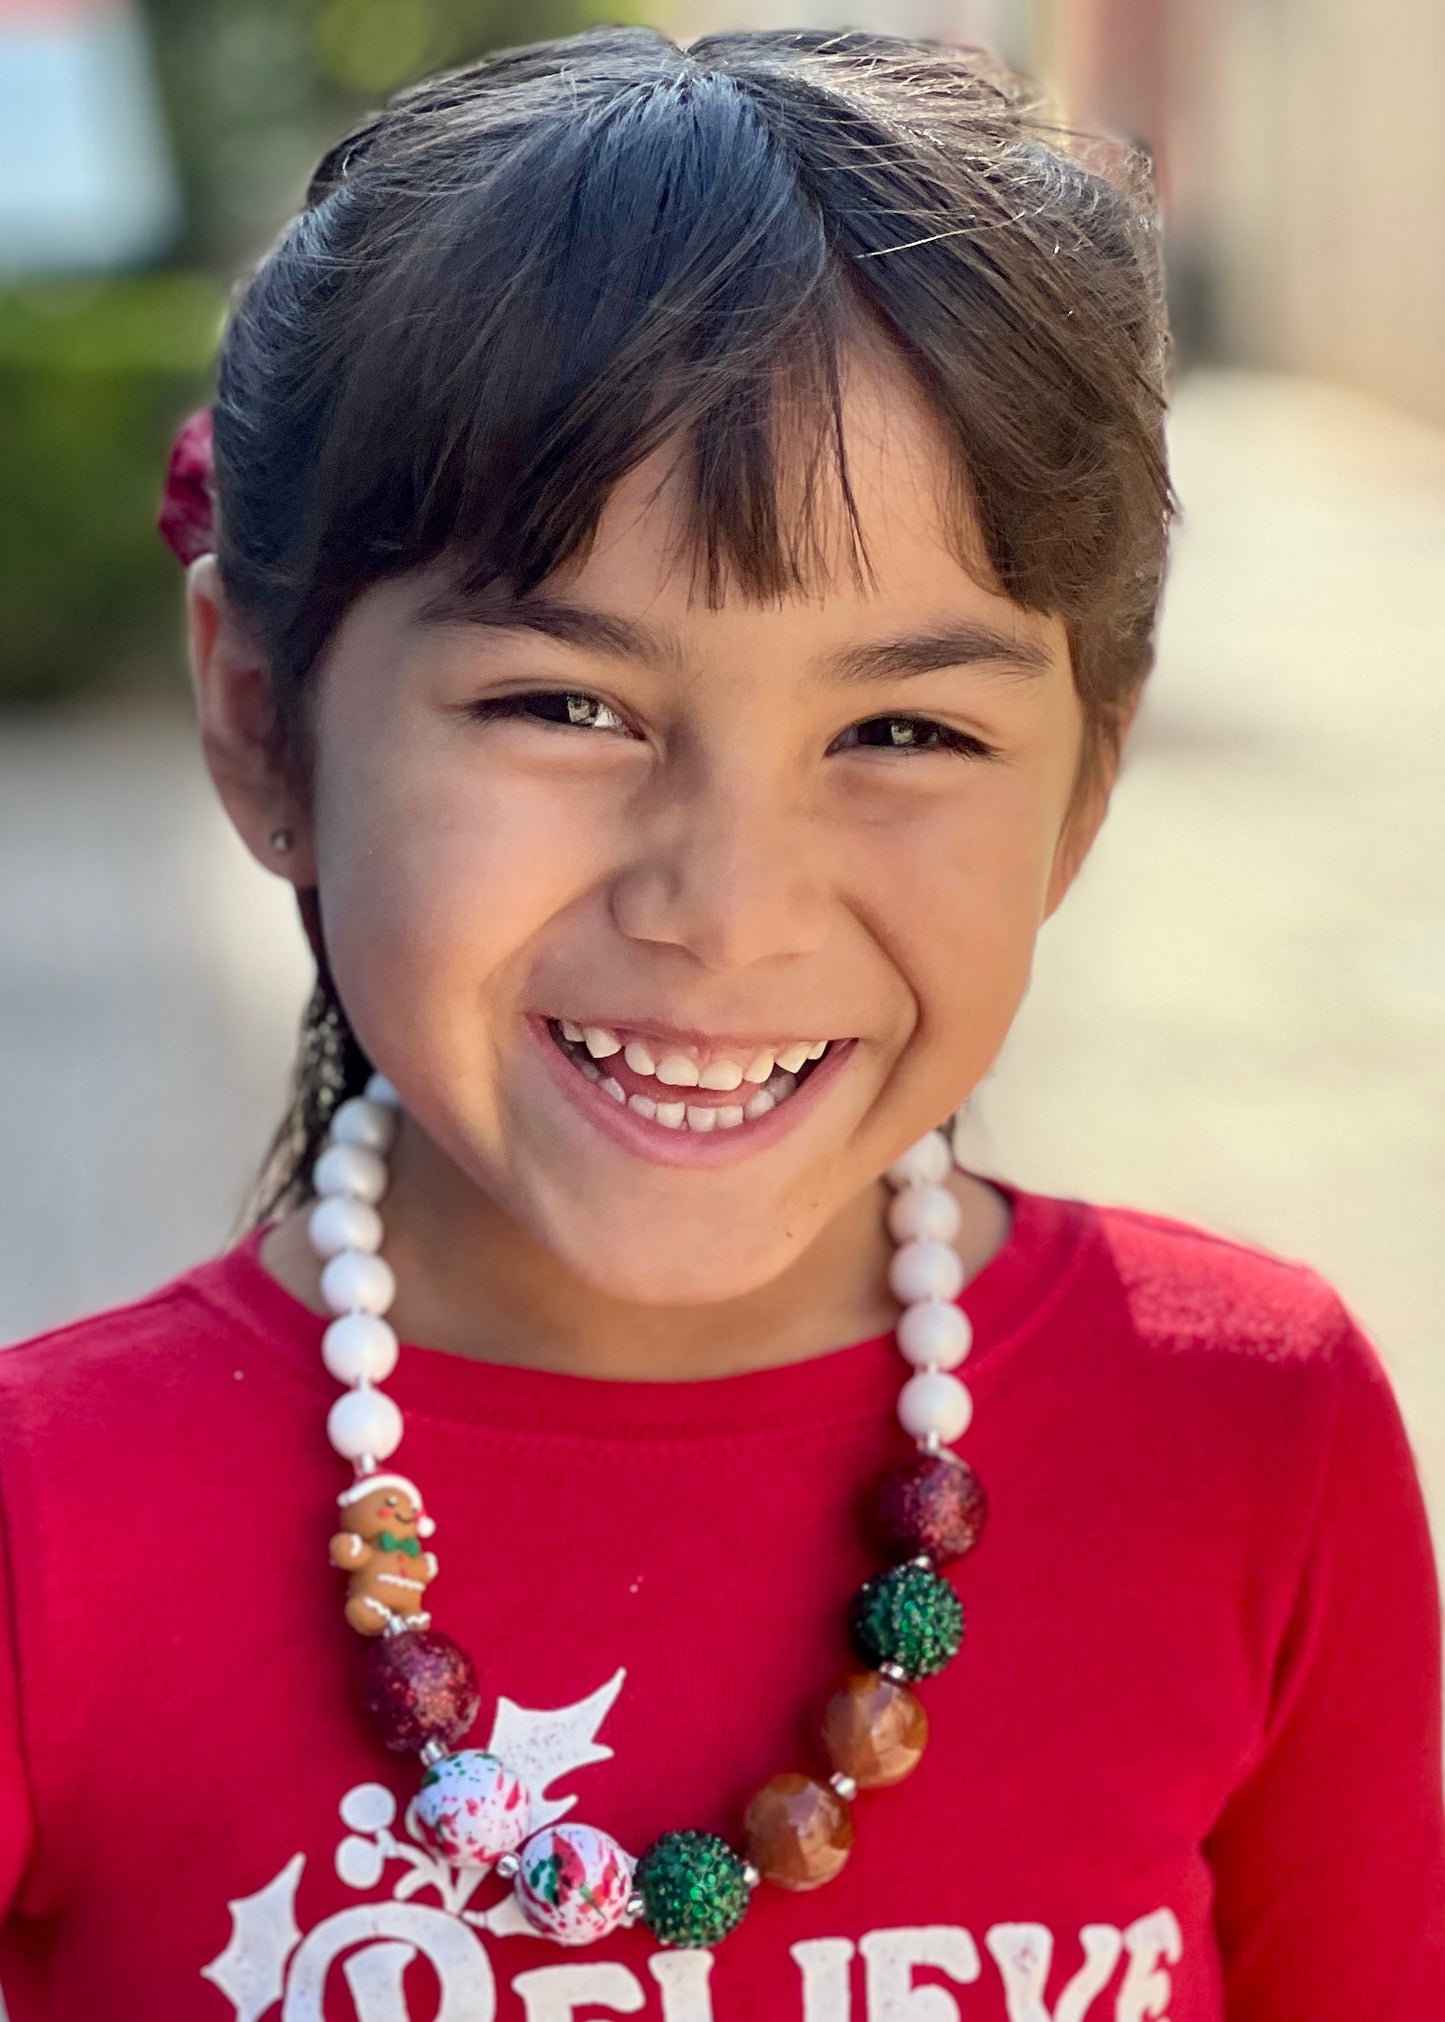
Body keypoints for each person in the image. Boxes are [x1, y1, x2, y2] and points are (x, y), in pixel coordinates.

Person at [2, 24, 1441, 2020]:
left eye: (904, 731)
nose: (727, 904)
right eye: (563, 707)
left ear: (1080, 797)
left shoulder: (1250, 1429)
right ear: (263, 719)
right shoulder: (50, 1528)